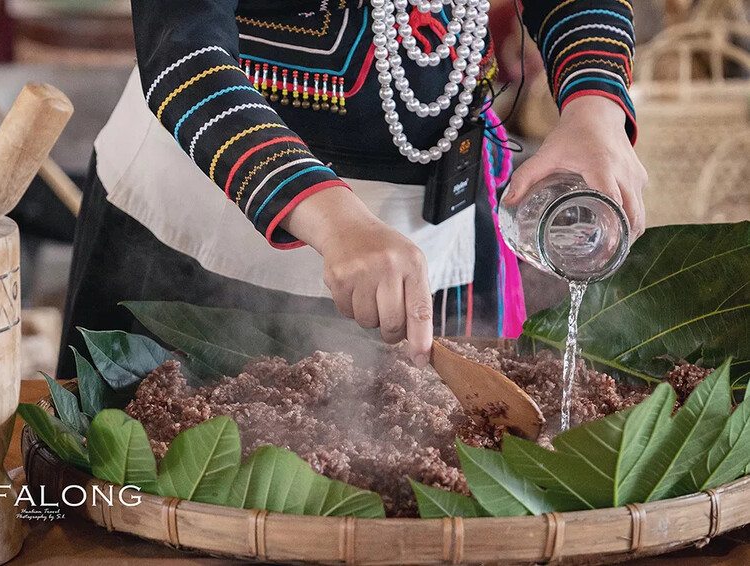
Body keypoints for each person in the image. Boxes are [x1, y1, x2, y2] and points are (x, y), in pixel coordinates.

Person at [56, 0, 647, 379]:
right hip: (205, 224)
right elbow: (186, 51)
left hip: (445, 228)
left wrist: (594, 107)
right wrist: (335, 218)